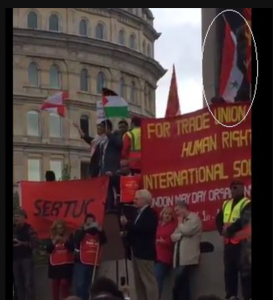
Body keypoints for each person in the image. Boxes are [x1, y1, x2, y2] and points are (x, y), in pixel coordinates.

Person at [120, 189, 158, 300]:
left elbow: (145, 230)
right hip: (135, 251)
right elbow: (135, 230)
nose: (134, 200)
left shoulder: (150, 214)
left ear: (144, 200)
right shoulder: (137, 214)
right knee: (138, 281)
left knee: (148, 280)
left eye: (136, 199)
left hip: (145, 252)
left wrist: (128, 224)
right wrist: (126, 232)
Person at [215, 180, 251, 300]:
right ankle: (231, 296)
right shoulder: (226, 204)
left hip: (243, 244)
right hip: (229, 243)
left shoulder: (247, 203)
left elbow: (243, 220)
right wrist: (221, 231)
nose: (234, 190)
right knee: (229, 272)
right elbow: (219, 219)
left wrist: (230, 230)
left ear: (243, 189)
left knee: (245, 273)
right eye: (232, 188)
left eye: (237, 188)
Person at [171, 201, 202, 300]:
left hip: (188, 257)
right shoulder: (182, 222)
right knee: (183, 283)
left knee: (179, 281)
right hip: (179, 257)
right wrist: (181, 234)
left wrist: (180, 225)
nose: (176, 213)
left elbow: (188, 231)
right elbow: (172, 236)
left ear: (183, 208)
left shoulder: (194, 219)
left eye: (177, 210)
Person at [73, 214, 107, 300]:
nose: (90, 225)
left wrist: (101, 231)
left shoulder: (97, 233)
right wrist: (84, 229)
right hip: (81, 262)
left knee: (91, 284)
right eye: (88, 223)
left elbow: (103, 241)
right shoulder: (80, 231)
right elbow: (76, 239)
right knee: (80, 284)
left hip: (93, 261)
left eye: (92, 222)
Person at [13, 208, 38, 300]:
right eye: (15, 217)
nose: (16, 219)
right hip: (15, 259)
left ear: (24, 218)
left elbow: (35, 243)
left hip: (26, 259)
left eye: (18, 216)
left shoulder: (29, 229)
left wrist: (22, 243)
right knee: (18, 285)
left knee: (28, 284)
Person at [46, 220, 74, 300]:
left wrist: (64, 240)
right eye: (58, 228)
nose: (60, 230)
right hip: (55, 265)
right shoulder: (51, 237)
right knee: (55, 286)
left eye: (61, 228)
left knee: (64, 284)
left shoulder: (69, 236)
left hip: (66, 265)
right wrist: (54, 241)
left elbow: (72, 248)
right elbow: (48, 250)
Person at [154, 207, 177, 298]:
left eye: (170, 214)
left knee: (157, 280)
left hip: (164, 257)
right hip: (154, 256)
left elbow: (173, 241)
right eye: (166, 213)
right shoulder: (158, 225)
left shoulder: (173, 226)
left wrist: (165, 242)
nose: (167, 216)